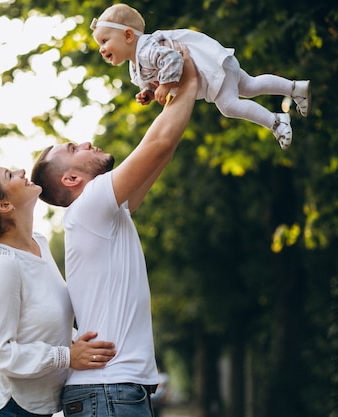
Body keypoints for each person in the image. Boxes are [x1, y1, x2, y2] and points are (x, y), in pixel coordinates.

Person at [30, 41, 199, 416]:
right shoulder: (89, 206)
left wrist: (174, 92)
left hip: (111, 392)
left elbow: (162, 153)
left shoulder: (103, 213)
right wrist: (189, 77)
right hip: (109, 392)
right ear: (72, 178)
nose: (87, 142)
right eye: (75, 147)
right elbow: (158, 143)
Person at [0, 163, 117, 417]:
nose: (21, 172)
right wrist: (67, 356)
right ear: (3, 206)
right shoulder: (2, 263)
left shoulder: (39, 242)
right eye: (9, 175)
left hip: (35, 408)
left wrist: (76, 342)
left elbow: (38, 322)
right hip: (7, 408)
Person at [90, 3, 311, 151]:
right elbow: (151, 80)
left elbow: (173, 60)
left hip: (211, 70)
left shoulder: (147, 49)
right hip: (216, 66)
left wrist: (165, 86)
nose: (101, 49)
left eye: (104, 41)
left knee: (228, 105)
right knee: (250, 85)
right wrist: (147, 92)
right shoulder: (135, 64)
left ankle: (277, 122)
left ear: (128, 35)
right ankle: (295, 88)